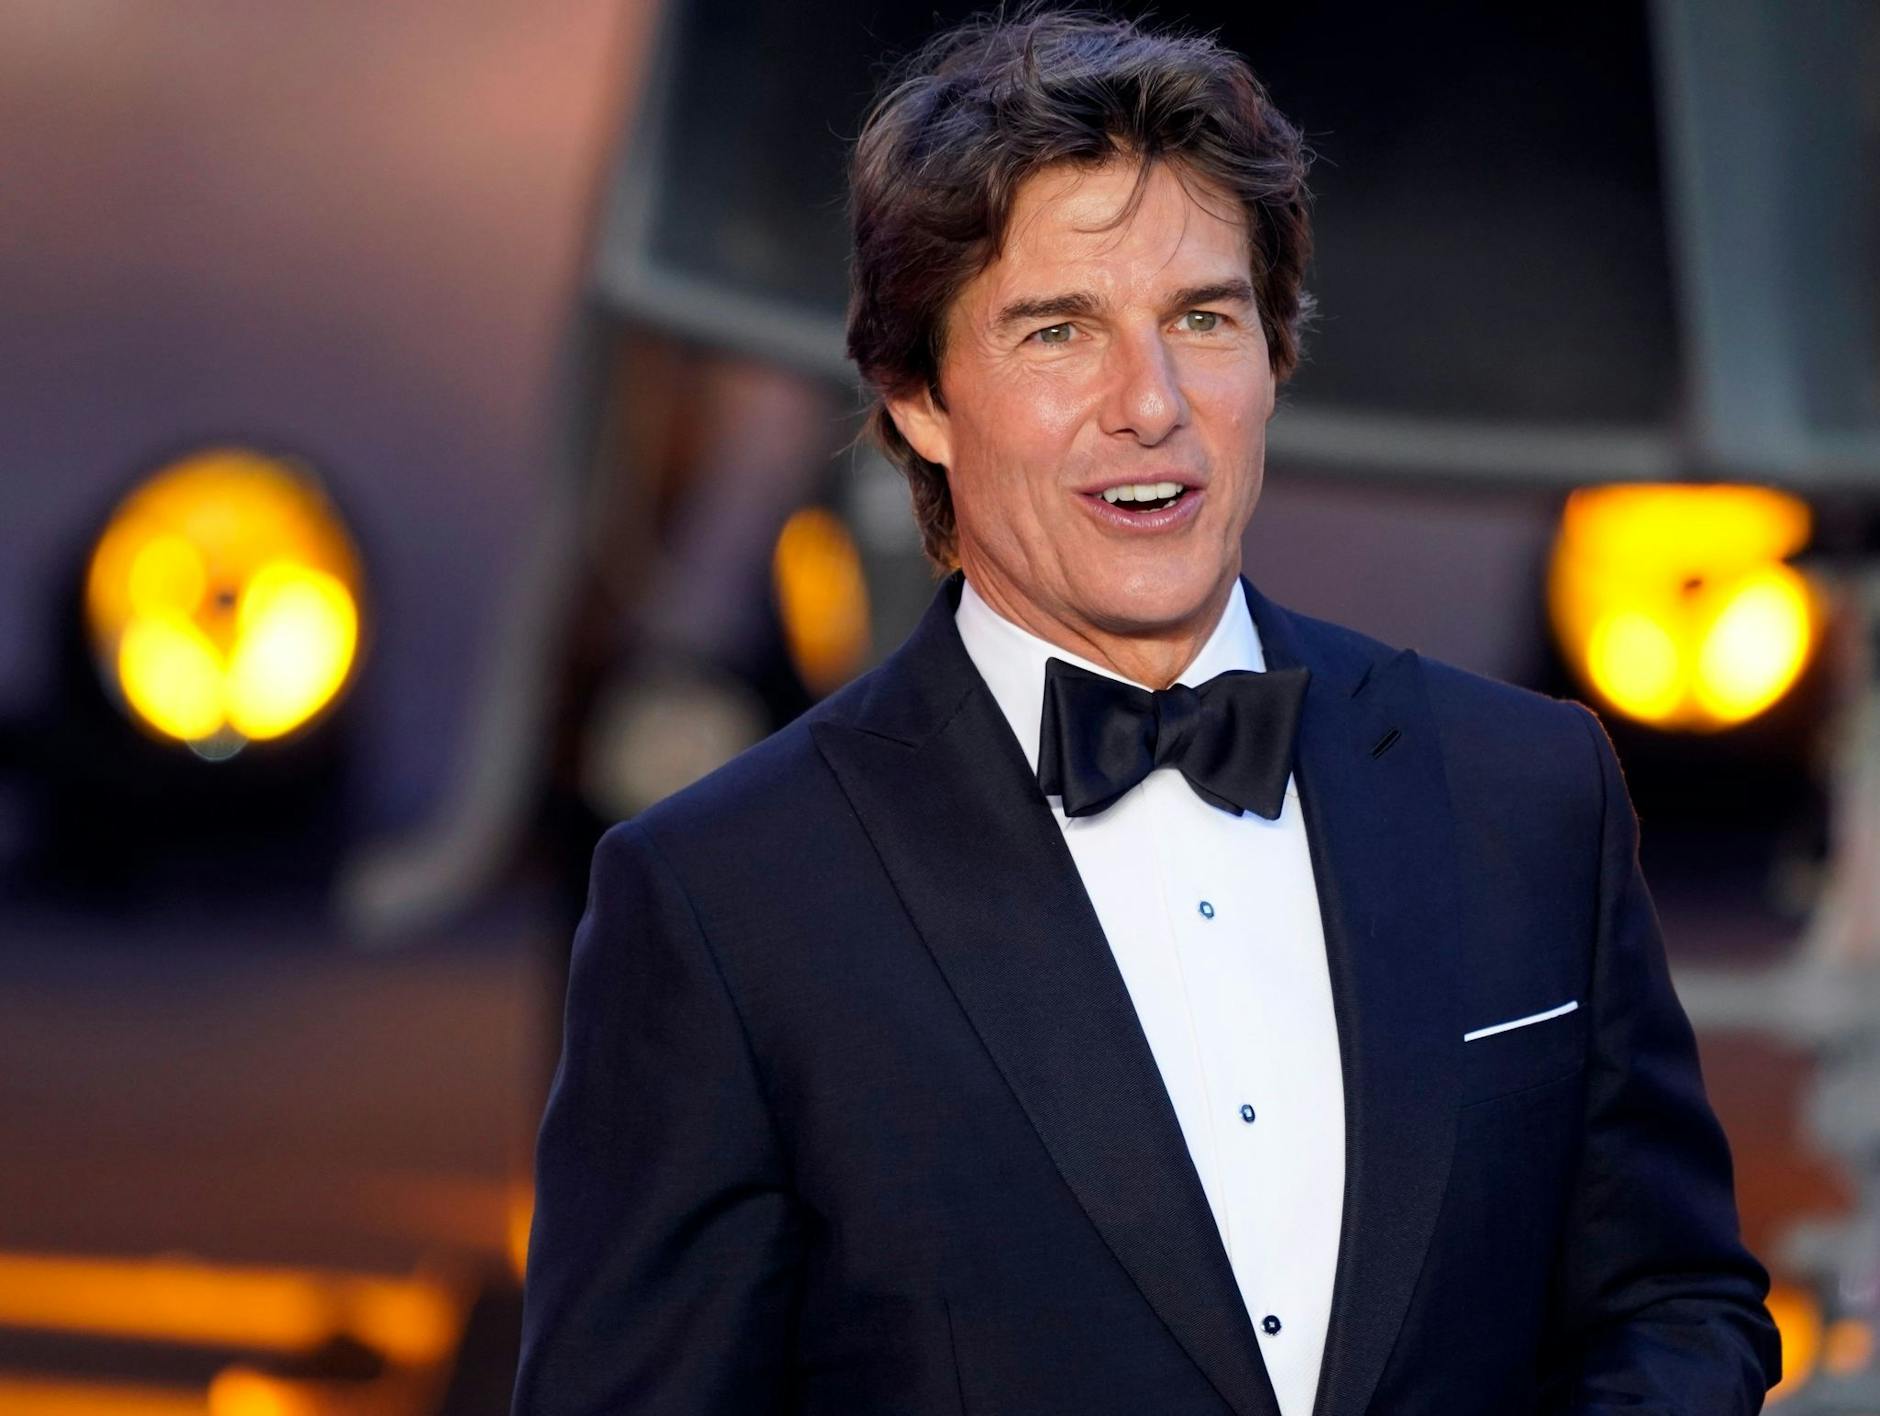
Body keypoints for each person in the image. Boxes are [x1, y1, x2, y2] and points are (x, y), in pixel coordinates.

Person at [511, 11, 1780, 1415]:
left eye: (1202, 319)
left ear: (1276, 355)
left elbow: (1673, 1306)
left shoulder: (1525, 789)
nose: (1151, 404)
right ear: (918, 398)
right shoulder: (723, 900)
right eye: (1060, 331)